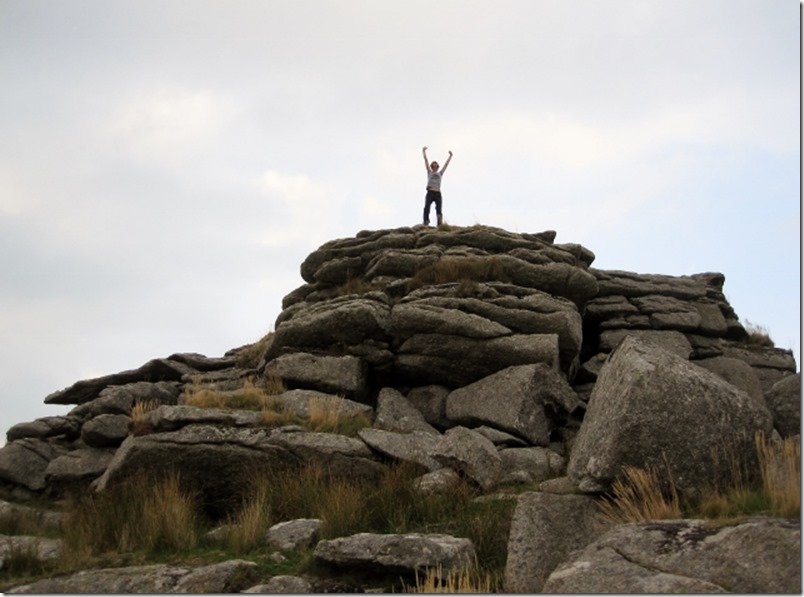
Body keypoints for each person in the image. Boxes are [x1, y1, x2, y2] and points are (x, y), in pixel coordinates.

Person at [422, 146, 453, 226]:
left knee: (439, 209)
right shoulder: (429, 172)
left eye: (436, 166)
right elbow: (426, 161)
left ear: (437, 167)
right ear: (432, 167)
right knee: (427, 207)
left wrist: (450, 156)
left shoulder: (440, 173)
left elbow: (446, 165)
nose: (435, 167)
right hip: (430, 192)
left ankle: (439, 223)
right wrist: (424, 152)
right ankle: (426, 221)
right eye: (433, 166)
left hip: (438, 193)